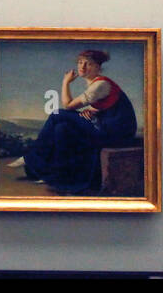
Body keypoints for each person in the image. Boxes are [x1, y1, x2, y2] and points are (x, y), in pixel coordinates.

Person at [16, 48, 137, 194]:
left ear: (98, 67)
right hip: (107, 127)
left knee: (57, 114)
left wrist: (66, 82)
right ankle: (59, 177)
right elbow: (102, 107)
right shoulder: (96, 85)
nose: (82, 67)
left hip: (116, 134)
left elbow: (68, 106)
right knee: (61, 128)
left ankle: (32, 158)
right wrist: (91, 111)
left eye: (88, 64)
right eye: (80, 62)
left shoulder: (101, 85)